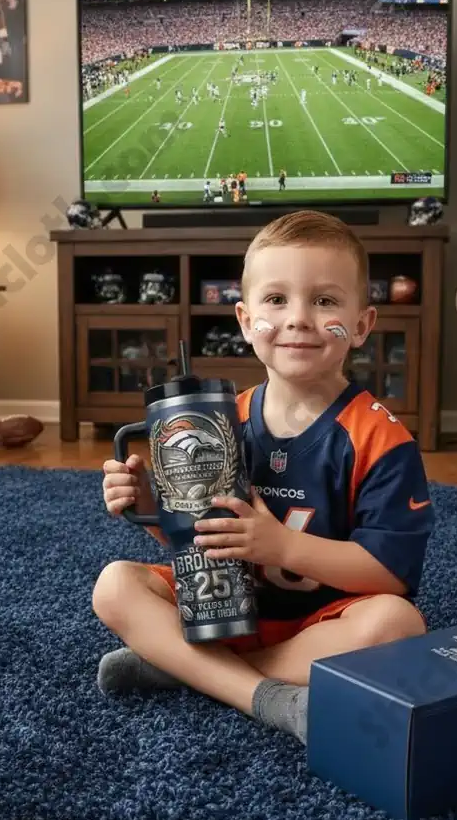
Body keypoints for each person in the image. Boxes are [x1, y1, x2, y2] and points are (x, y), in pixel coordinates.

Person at [94, 211, 434, 746]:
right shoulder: (224, 420)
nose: (298, 318)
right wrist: (155, 509)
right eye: (276, 300)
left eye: (324, 301)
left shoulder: (380, 440)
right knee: (115, 584)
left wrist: (281, 545)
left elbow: (390, 576)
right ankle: (262, 692)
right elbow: (208, 540)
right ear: (245, 319)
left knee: (398, 625)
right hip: (227, 606)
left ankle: (192, 668)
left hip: (324, 622)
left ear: (364, 324)